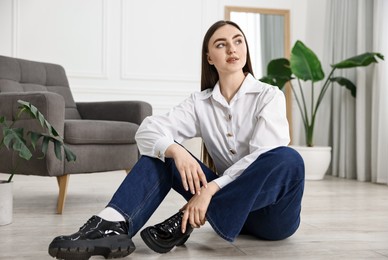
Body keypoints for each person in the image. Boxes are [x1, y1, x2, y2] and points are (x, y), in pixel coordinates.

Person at [48, 20, 305, 260]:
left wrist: (208, 191)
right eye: (221, 44)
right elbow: (147, 130)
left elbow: (261, 157)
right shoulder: (200, 103)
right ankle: (111, 225)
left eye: (238, 41)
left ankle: (186, 217)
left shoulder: (269, 96)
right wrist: (175, 151)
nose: (232, 48)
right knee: (161, 154)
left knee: (287, 159)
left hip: (272, 218)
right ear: (209, 57)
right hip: (224, 206)